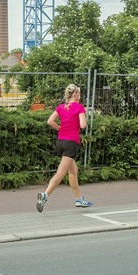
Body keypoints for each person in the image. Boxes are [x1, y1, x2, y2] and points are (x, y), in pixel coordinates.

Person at [36, 84, 93, 212]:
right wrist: (82, 118)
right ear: (75, 94)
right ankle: (45, 195)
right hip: (71, 143)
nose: (80, 95)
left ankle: (79, 199)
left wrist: (61, 128)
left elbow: (50, 121)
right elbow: (83, 125)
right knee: (60, 173)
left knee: (73, 171)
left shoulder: (61, 107)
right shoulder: (79, 108)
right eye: (79, 93)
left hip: (60, 142)